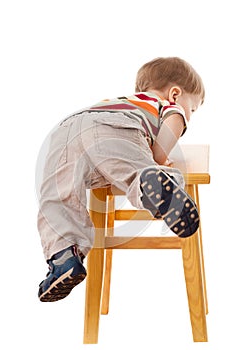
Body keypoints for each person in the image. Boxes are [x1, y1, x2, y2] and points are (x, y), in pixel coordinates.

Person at [37, 57, 205, 302]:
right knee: (139, 169)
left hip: (65, 131)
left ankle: (64, 257)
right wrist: (160, 158)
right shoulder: (165, 105)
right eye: (193, 108)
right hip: (114, 128)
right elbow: (165, 140)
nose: (189, 115)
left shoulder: (118, 102)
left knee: (58, 195)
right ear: (176, 94)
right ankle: (157, 186)